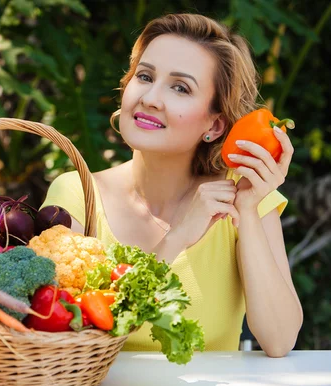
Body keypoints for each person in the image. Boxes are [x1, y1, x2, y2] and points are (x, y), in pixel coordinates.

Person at [40, 13, 303, 357]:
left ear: (215, 125)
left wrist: (249, 212)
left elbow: (279, 340)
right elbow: (60, 328)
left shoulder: (245, 197)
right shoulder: (75, 194)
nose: (150, 97)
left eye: (180, 87)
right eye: (145, 76)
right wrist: (177, 237)